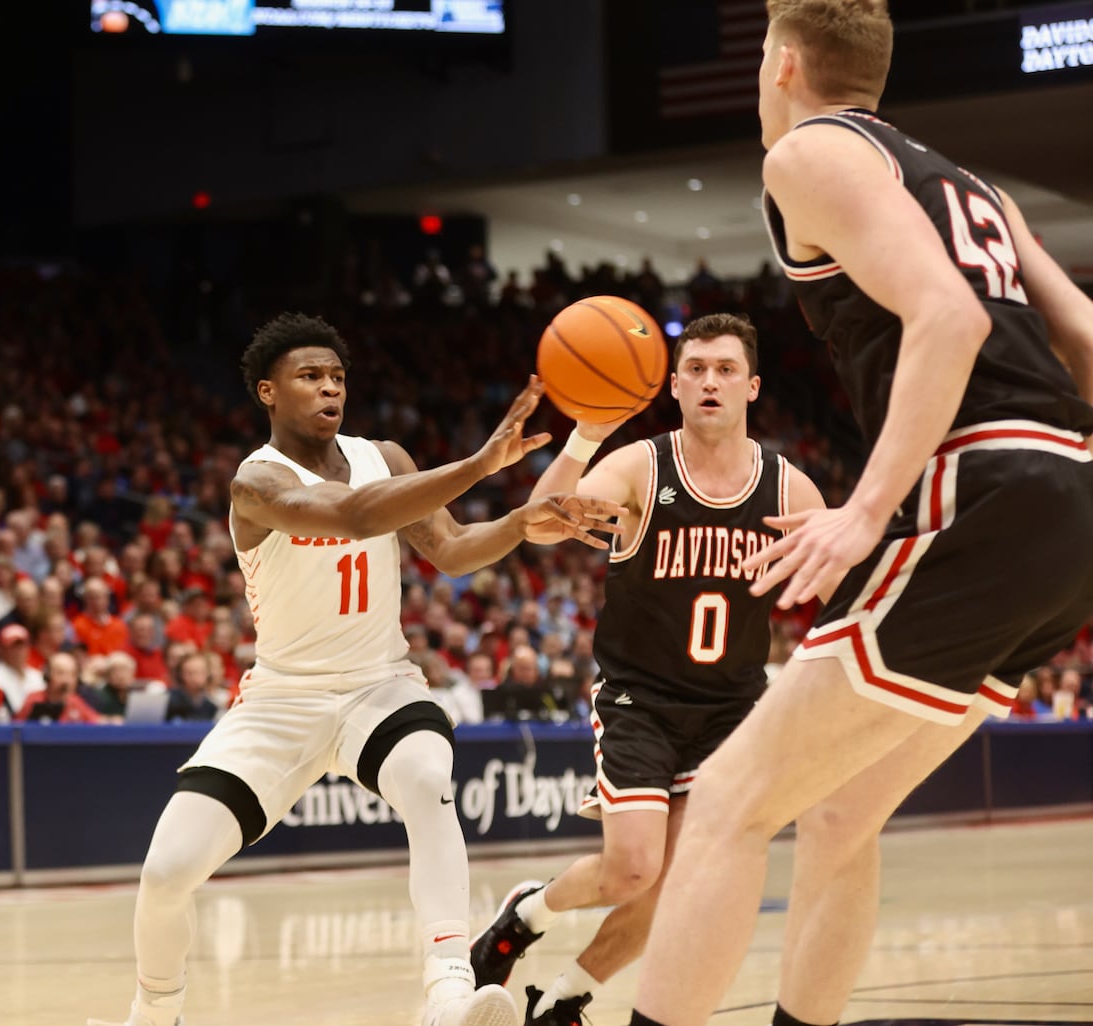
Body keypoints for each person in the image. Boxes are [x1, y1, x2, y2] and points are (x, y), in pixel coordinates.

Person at [629, 6, 1093, 1026]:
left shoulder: (808, 153)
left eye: (757, 58)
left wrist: (863, 509)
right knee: (842, 811)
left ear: (784, 62)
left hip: (986, 483)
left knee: (725, 803)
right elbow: (1084, 339)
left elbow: (951, 317)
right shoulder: (973, 188)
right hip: (1066, 500)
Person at [91, 312, 622, 1026]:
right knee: (165, 873)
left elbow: (454, 550)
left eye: (337, 376)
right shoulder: (257, 482)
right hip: (281, 700)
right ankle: (156, 1013)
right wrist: (475, 466)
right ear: (267, 392)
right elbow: (353, 518)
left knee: (429, 780)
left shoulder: (387, 457)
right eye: (310, 376)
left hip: (381, 684)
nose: (329, 388)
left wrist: (519, 524)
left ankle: (447, 991)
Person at [470, 314, 825, 1025]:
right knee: (634, 867)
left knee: (677, 880)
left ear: (751, 386)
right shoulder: (641, 467)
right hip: (641, 698)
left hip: (732, 708)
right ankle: (525, 915)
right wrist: (587, 434)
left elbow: (837, 594)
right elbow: (540, 529)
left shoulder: (789, 489)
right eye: (696, 369)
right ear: (673, 384)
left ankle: (565, 999)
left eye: (726, 369)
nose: (710, 382)